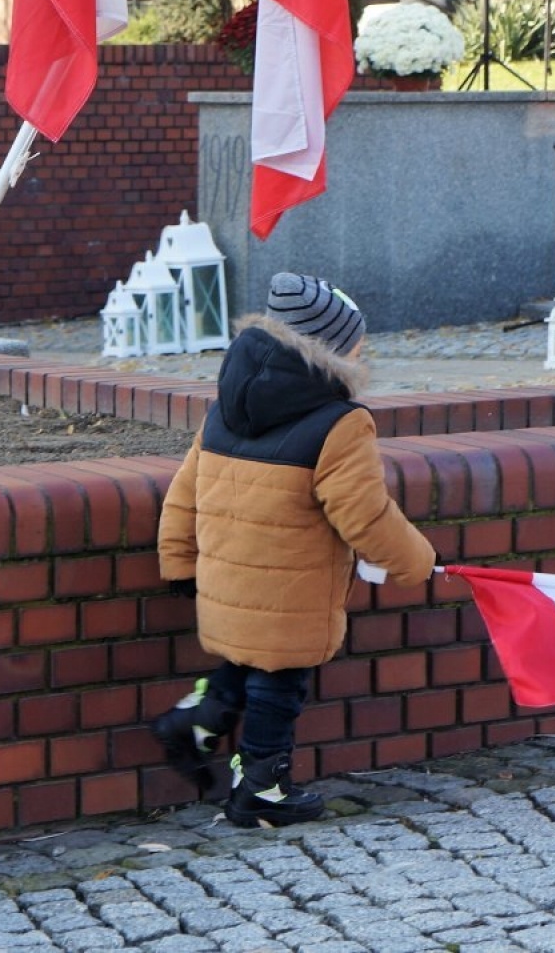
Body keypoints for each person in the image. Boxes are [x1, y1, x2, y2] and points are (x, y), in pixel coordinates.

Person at [154, 272, 436, 828]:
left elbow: (184, 489)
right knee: (279, 686)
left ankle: (196, 721)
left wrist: (177, 558)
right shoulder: (341, 423)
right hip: (292, 585)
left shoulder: (225, 409)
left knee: (247, 658)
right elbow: (365, 514)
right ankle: (261, 787)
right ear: (331, 348)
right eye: (356, 341)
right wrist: (417, 560)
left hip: (227, 580)